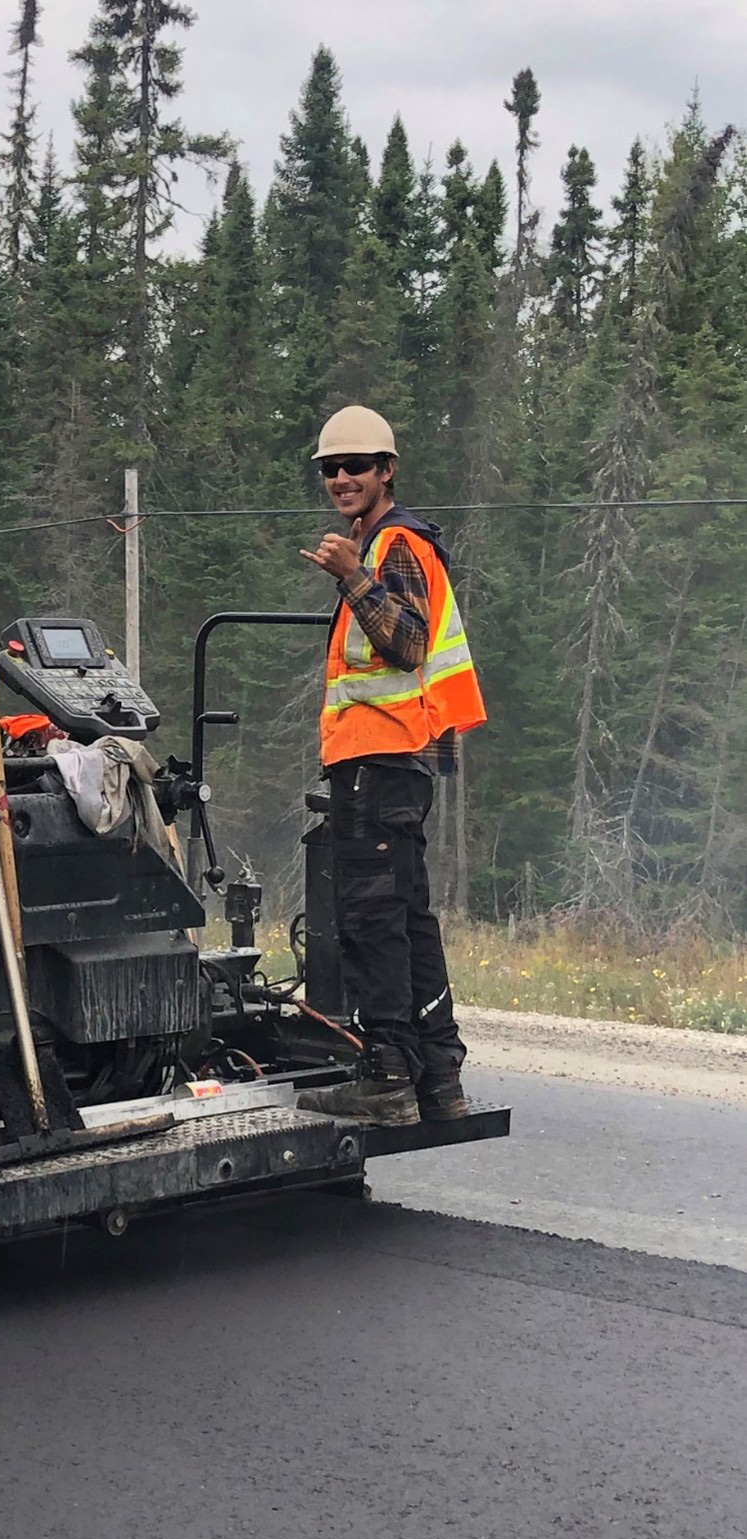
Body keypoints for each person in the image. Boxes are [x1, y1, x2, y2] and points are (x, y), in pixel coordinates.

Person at [294, 405, 487, 1126]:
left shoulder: (392, 545)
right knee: (406, 918)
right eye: (329, 469)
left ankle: (384, 1076)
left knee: (371, 918)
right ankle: (437, 1075)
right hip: (397, 762)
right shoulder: (383, 542)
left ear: (386, 471)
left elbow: (405, 643)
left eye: (355, 466)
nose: (340, 478)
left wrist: (351, 578)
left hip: (378, 760)